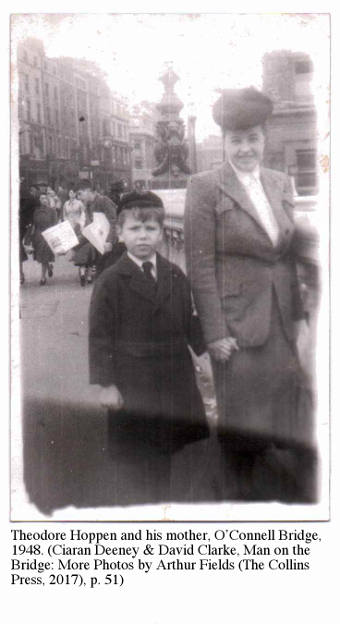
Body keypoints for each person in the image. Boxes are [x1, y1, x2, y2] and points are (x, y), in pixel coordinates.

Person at [184, 87, 313, 502]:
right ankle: (237, 506)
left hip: (282, 320)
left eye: (253, 139)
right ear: (224, 142)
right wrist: (214, 332)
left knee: (285, 415)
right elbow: (200, 266)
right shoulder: (204, 186)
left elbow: (288, 256)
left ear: (265, 139)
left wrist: (299, 320)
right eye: (236, 140)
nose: (245, 149)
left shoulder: (279, 182)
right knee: (243, 426)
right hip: (238, 326)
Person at [88, 190, 209, 504]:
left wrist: (210, 349)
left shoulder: (174, 274)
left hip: (173, 376)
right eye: (134, 229)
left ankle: (161, 503)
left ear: (161, 232)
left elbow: (189, 321)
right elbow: (99, 336)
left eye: (151, 229)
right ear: (120, 232)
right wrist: (107, 384)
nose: (143, 236)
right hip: (133, 378)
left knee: (166, 448)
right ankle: (145, 508)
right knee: (141, 452)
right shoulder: (111, 281)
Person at [75, 179, 122, 283]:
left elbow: (115, 222)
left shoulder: (103, 201)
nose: (78, 198)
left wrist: (110, 241)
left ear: (88, 191)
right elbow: (88, 231)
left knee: (111, 282)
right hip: (101, 251)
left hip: (113, 249)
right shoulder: (87, 207)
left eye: (79, 194)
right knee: (102, 282)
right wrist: (70, 245)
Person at [26, 192, 57, 285]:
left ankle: (43, 277)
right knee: (42, 257)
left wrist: (54, 235)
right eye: (41, 198)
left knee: (44, 255)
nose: (43, 200)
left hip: (48, 234)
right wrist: (29, 240)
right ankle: (49, 267)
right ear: (38, 200)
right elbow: (32, 225)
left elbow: (55, 224)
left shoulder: (51, 211)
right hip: (38, 235)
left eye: (45, 198)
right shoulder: (35, 211)